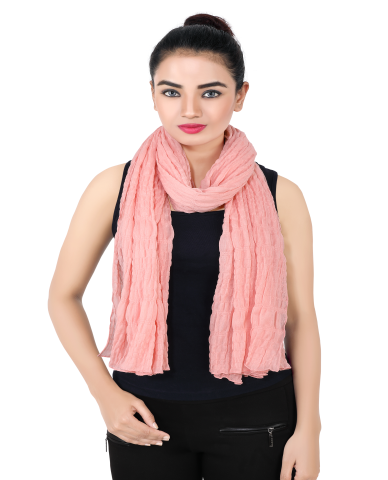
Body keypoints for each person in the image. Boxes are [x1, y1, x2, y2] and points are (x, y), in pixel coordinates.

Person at [48, 13, 321, 480]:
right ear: (152, 95)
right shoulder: (114, 187)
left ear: (240, 95)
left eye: (210, 93)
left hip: (255, 417)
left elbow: (300, 320)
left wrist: (310, 429)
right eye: (171, 92)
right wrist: (104, 393)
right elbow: (62, 296)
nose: (190, 110)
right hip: (142, 416)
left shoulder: (281, 195)